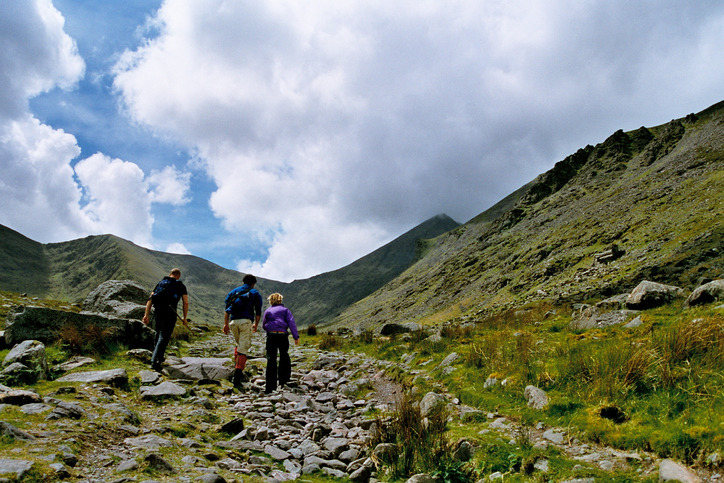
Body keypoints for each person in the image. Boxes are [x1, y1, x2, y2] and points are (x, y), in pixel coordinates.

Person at [143, 268, 189, 371]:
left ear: (170, 274)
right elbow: (185, 302)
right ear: (178, 276)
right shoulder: (180, 285)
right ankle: (155, 361)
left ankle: (159, 357)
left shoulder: (161, 283)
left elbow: (151, 299)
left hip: (158, 311)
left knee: (158, 333)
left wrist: (146, 315)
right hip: (170, 312)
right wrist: (184, 318)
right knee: (164, 336)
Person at [223, 274, 262, 388]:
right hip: (246, 322)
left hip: (233, 322)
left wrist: (225, 324)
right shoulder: (254, 293)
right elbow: (258, 311)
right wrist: (256, 324)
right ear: (253, 283)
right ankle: (237, 378)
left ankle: (236, 367)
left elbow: (227, 309)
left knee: (239, 345)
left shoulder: (233, 292)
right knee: (243, 349)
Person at [261, 292, 299, 393]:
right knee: (284, 356)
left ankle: (270, 387)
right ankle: (284, 381)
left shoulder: (268, 310)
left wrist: (269, 328)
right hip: (282, 335)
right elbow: (291, 323)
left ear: (271, 300)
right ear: (280, 300)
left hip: (271, 336)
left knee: (271, 359)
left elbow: (264, 325)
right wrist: (296, 337)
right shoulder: (285, 310)